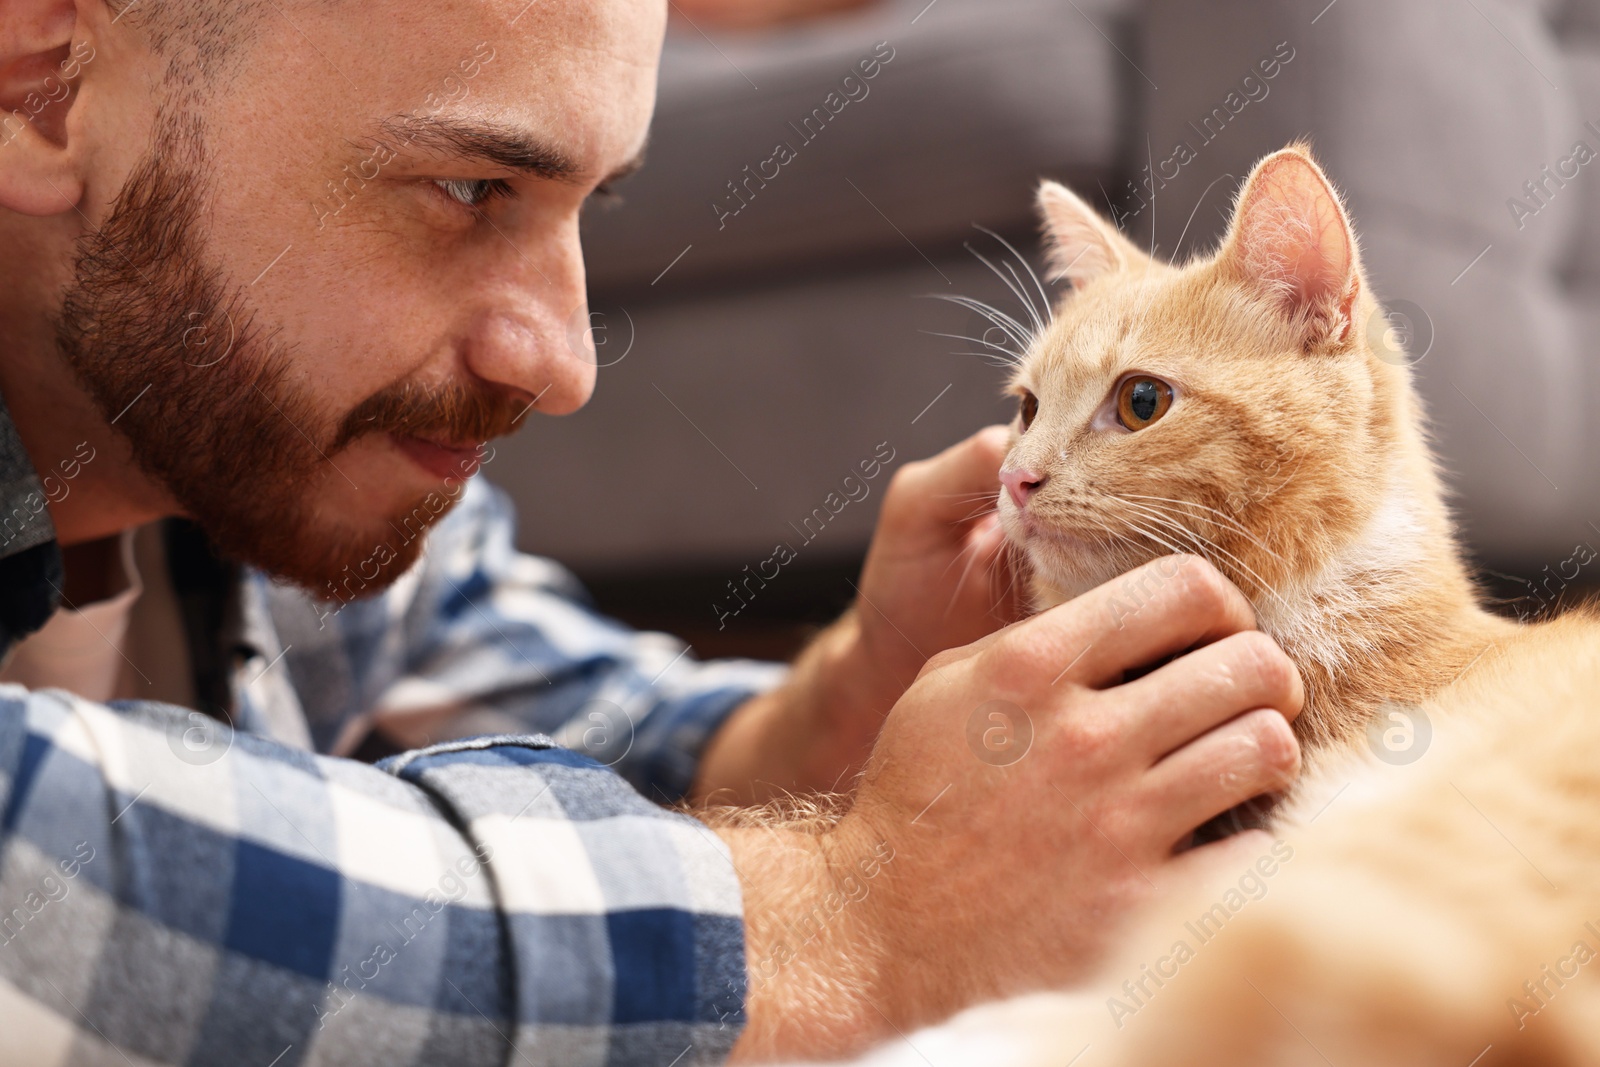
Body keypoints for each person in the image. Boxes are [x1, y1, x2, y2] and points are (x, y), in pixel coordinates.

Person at [0, 1, 1305, 1063]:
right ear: (43, 83)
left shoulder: (246, 451)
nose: (565, 365)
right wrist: (848, 919)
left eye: (588, 207)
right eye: (469, 188)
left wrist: (843, 713)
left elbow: (480, 657)